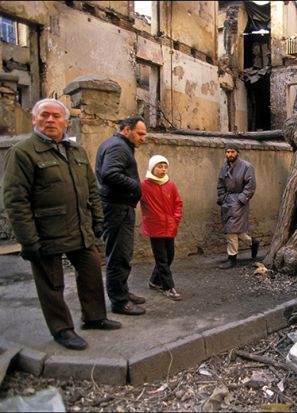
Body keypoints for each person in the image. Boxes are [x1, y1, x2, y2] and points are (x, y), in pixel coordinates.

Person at [2, 98, 121, 350]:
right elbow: (15, 200)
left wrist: (98, 220)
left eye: (56, 116)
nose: (50, 120)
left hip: (79, 227)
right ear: (35, 119)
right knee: (51, 284)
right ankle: (62, 329)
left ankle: (94, 317)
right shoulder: (23, 152)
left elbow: (91, 187)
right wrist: (28, 240)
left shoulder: (75, 151)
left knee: (90, 271)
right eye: (44, 115)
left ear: (66, 122)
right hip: (45, 232)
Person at [95, 116, 147, 315]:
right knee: (118, 256)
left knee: (123, 254)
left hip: (119, 207)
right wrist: (136, 186)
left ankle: (123, 292)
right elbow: (110, 174)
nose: (143, 138)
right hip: (116, 208)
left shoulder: (117, 144)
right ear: (127, 130)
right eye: (140, 134)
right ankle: (119, 301)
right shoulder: (118, 147)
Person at [140, 155, 183, 301]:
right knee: (162, 259)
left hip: (169, 226)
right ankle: (168, 287)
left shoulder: (170, 184)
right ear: (152, 167)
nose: (163, 169)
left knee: (169, 256)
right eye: (160, 166)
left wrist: (176, 218)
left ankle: (154, 281)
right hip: (155, 227)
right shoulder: (144, 185)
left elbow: (178, 202)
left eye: (165, 166)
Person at [217, 142, 259, 269]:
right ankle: (253, 242)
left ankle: (232, 258)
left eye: (232, 152)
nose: (229, 154)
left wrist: (241, 199)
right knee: (235, 230)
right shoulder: (224, 167)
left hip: (238, 200)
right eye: (228, 152)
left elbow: (250, 185)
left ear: (237, 153)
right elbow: (220, 184)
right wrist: (222, 197)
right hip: (227, 201)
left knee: (231, 230)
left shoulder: (246, 166)